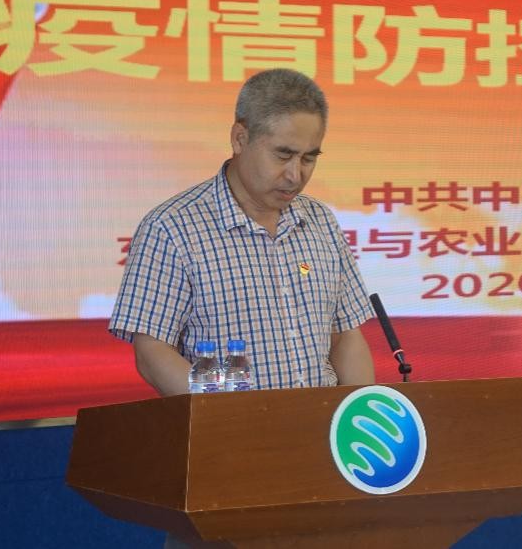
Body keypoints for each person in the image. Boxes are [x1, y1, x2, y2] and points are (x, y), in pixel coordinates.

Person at [108, 68, 375, 395]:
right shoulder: (172, 228)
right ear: (239, 138)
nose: (295, 175)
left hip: (323, 421)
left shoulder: (321, 222)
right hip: (227, 424)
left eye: (308, 158)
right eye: (283, 155)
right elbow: (152, 351)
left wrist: (362, 414)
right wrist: (224, 418)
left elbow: (345, 336)